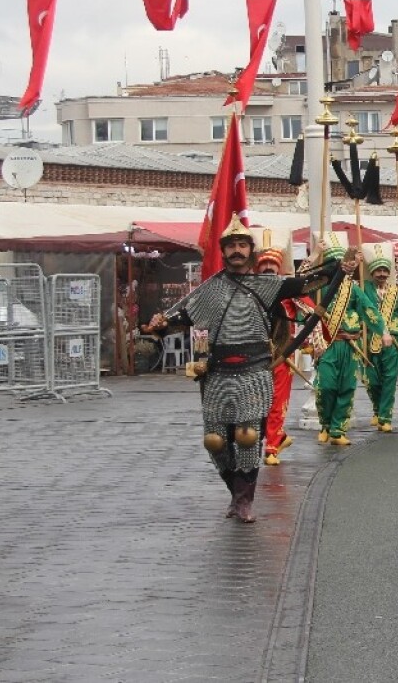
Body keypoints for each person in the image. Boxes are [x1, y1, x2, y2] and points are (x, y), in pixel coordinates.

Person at [143, 219, 353, 523]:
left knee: (247, 436)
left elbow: (307, 283)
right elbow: (180, 317)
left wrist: (337, 267)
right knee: (215, 441)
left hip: (254, 371)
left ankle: (243, 500)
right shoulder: (210, 289)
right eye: (232, 246)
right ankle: (235, 491)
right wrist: (161, 326)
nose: (237, 250)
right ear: (224, 251)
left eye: (242, 245)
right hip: (217, 372)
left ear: (250, 250)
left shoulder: (267, 286)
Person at [313, 236, 384, 446]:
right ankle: (325, 423)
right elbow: (299, 277)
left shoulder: (353, 289)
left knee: (346, 387)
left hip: (350, 345)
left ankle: (338, 429)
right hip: (329, 344)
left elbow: (369, 309)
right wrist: (315, 253)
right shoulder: (320, 286)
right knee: (325, 387)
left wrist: (383, 331)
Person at [253, 243, 314, 467]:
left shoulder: (287, 291)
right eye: (264, 263)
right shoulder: (249, 291)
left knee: (277, 403)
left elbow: (309, 312)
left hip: (281, 356)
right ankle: (277, 438)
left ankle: (271, 448)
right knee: (257, 403)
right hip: (254, 359)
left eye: (273, 264)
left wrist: (310, 340)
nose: (269, 267)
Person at [361, 243, 398, 432]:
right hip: (369, 341)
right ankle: (377, 408)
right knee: (372, 381)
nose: (382, 274)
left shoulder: (397, 293)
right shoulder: (363, 286)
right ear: (372, 272)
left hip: (392, 343)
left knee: (389, 380)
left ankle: (385, 417)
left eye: (385, 270)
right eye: (378, 270)